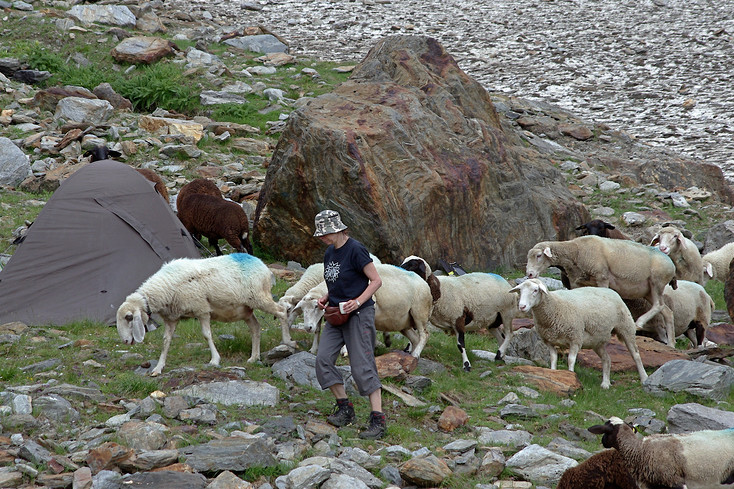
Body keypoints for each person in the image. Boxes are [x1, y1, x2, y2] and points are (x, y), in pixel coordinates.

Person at [312, 209, 386, 439]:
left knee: (362, 366)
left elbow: (376, 281)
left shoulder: (355, 249)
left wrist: (357, 302)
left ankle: (378, 420)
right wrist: (326, 297)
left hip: (359, 314)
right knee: (323, 359)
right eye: (321, 235)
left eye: (326, 233)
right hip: (335, 314)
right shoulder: (329, 253)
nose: (323, 238)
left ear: (338, 229)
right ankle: (345, 408)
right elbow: (335, 281)